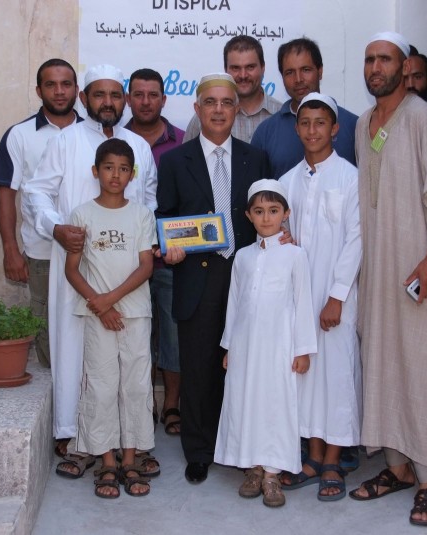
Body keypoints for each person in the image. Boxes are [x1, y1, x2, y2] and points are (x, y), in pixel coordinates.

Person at [23, 64, 158, 479]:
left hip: (127, 279)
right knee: (77, 355)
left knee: (129, 369)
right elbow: (36, 192)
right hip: (77, 273)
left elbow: (148, 202)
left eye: (116, 95)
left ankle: (128, 445)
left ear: (125, 100)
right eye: (99, 94)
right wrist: (56, 228)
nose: (108, 102)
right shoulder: (66, 141)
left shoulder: (139, 147)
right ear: (85, 99)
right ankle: (77, 438)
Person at [348, 32, 427, 528]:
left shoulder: (421, 118)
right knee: (383, 364)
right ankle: (397, 469)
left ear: (403, 66)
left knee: (423, 368)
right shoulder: (363, 124)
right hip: (377, 271)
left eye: (385, 60)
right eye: (370, 60)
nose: (376, 67)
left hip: (418, 269)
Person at [156, 73, 270, 484]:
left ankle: (241, 447)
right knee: (200, 367)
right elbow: (165, 215)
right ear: (197, 108)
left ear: (236, 109)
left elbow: (267, 212)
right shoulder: (175, 161)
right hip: (197, 276)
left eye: (226, 102)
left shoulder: (256, 158)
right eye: (210, 102)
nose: (218, 109)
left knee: (244, 365)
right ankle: (200, 451)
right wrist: (168, 246)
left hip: (246, 276)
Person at [276, 93, 362, 502]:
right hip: (298, 298)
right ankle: (311, 459)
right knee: (306, 378)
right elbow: (281, 234)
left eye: (320, 123)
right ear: (297, 129)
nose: (312, 131)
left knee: (338, 376)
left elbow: (356, 239)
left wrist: (337, 296)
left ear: (335, 129)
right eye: (305, 123)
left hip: (335, 298)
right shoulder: (287, 181)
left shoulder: (351, 178)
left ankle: (332, 460)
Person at [214, 179, 316, 508]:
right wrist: (229, 346)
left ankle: (272, 474)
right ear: (248, 215)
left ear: (286, 214)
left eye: (273, 211)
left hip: (280, 347)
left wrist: (303, 349)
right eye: (259, 211)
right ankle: (253, 468)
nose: (266, 217)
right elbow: (234, 304)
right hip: (246, 346)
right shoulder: (242, 257)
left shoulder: (295, 255)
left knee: (275, 403)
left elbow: (303, 303)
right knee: (246, 401)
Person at [65, 138, 157, 499]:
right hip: (97, 316)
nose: (115, 175)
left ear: (132, 175)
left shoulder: (141, 215)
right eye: (108, 168)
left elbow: (146, 266)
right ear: (95, 171)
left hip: (134, 314)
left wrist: (110, 301)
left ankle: (130, 459)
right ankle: (106, 461)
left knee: (135, 385)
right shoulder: (82, 215)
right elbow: (73, 270)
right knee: (102, 386)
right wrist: (100, 306)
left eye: (123, 169)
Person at [0, 58, 82, 370]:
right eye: (51, 85)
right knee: (47, 332)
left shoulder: (93, 134)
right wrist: (11, 250)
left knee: (86, 329)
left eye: (66, 84)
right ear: (39, 90)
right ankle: (55, 393)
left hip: (88, 251)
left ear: (77, 90)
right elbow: (6, 194)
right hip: (41, 252)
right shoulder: (19, 135)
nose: (59, 91)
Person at [124, 68, 183, 436]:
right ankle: (142, 403)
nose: (146, 102)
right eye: (139, 94)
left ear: (164, 99)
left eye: (153, 95)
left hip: (171, 258)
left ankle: (172, 404)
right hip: (127, 260)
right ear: (128, 99)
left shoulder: (183, 141)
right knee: (135, 337)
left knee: (173, 334)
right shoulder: (115, 141)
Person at [251, 37, 359, 179]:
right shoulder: (266, 132)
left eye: (306, 70)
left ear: (320, 71)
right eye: (290, 72)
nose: (298, 79)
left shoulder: (353, 125)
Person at [183, 35, 282, 143]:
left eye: (250, 67)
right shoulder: (204, 118)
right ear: (226, 70)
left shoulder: (281, 115)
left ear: (263, 68)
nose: (243, 75)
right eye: (235, 68)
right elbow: (187, 152)